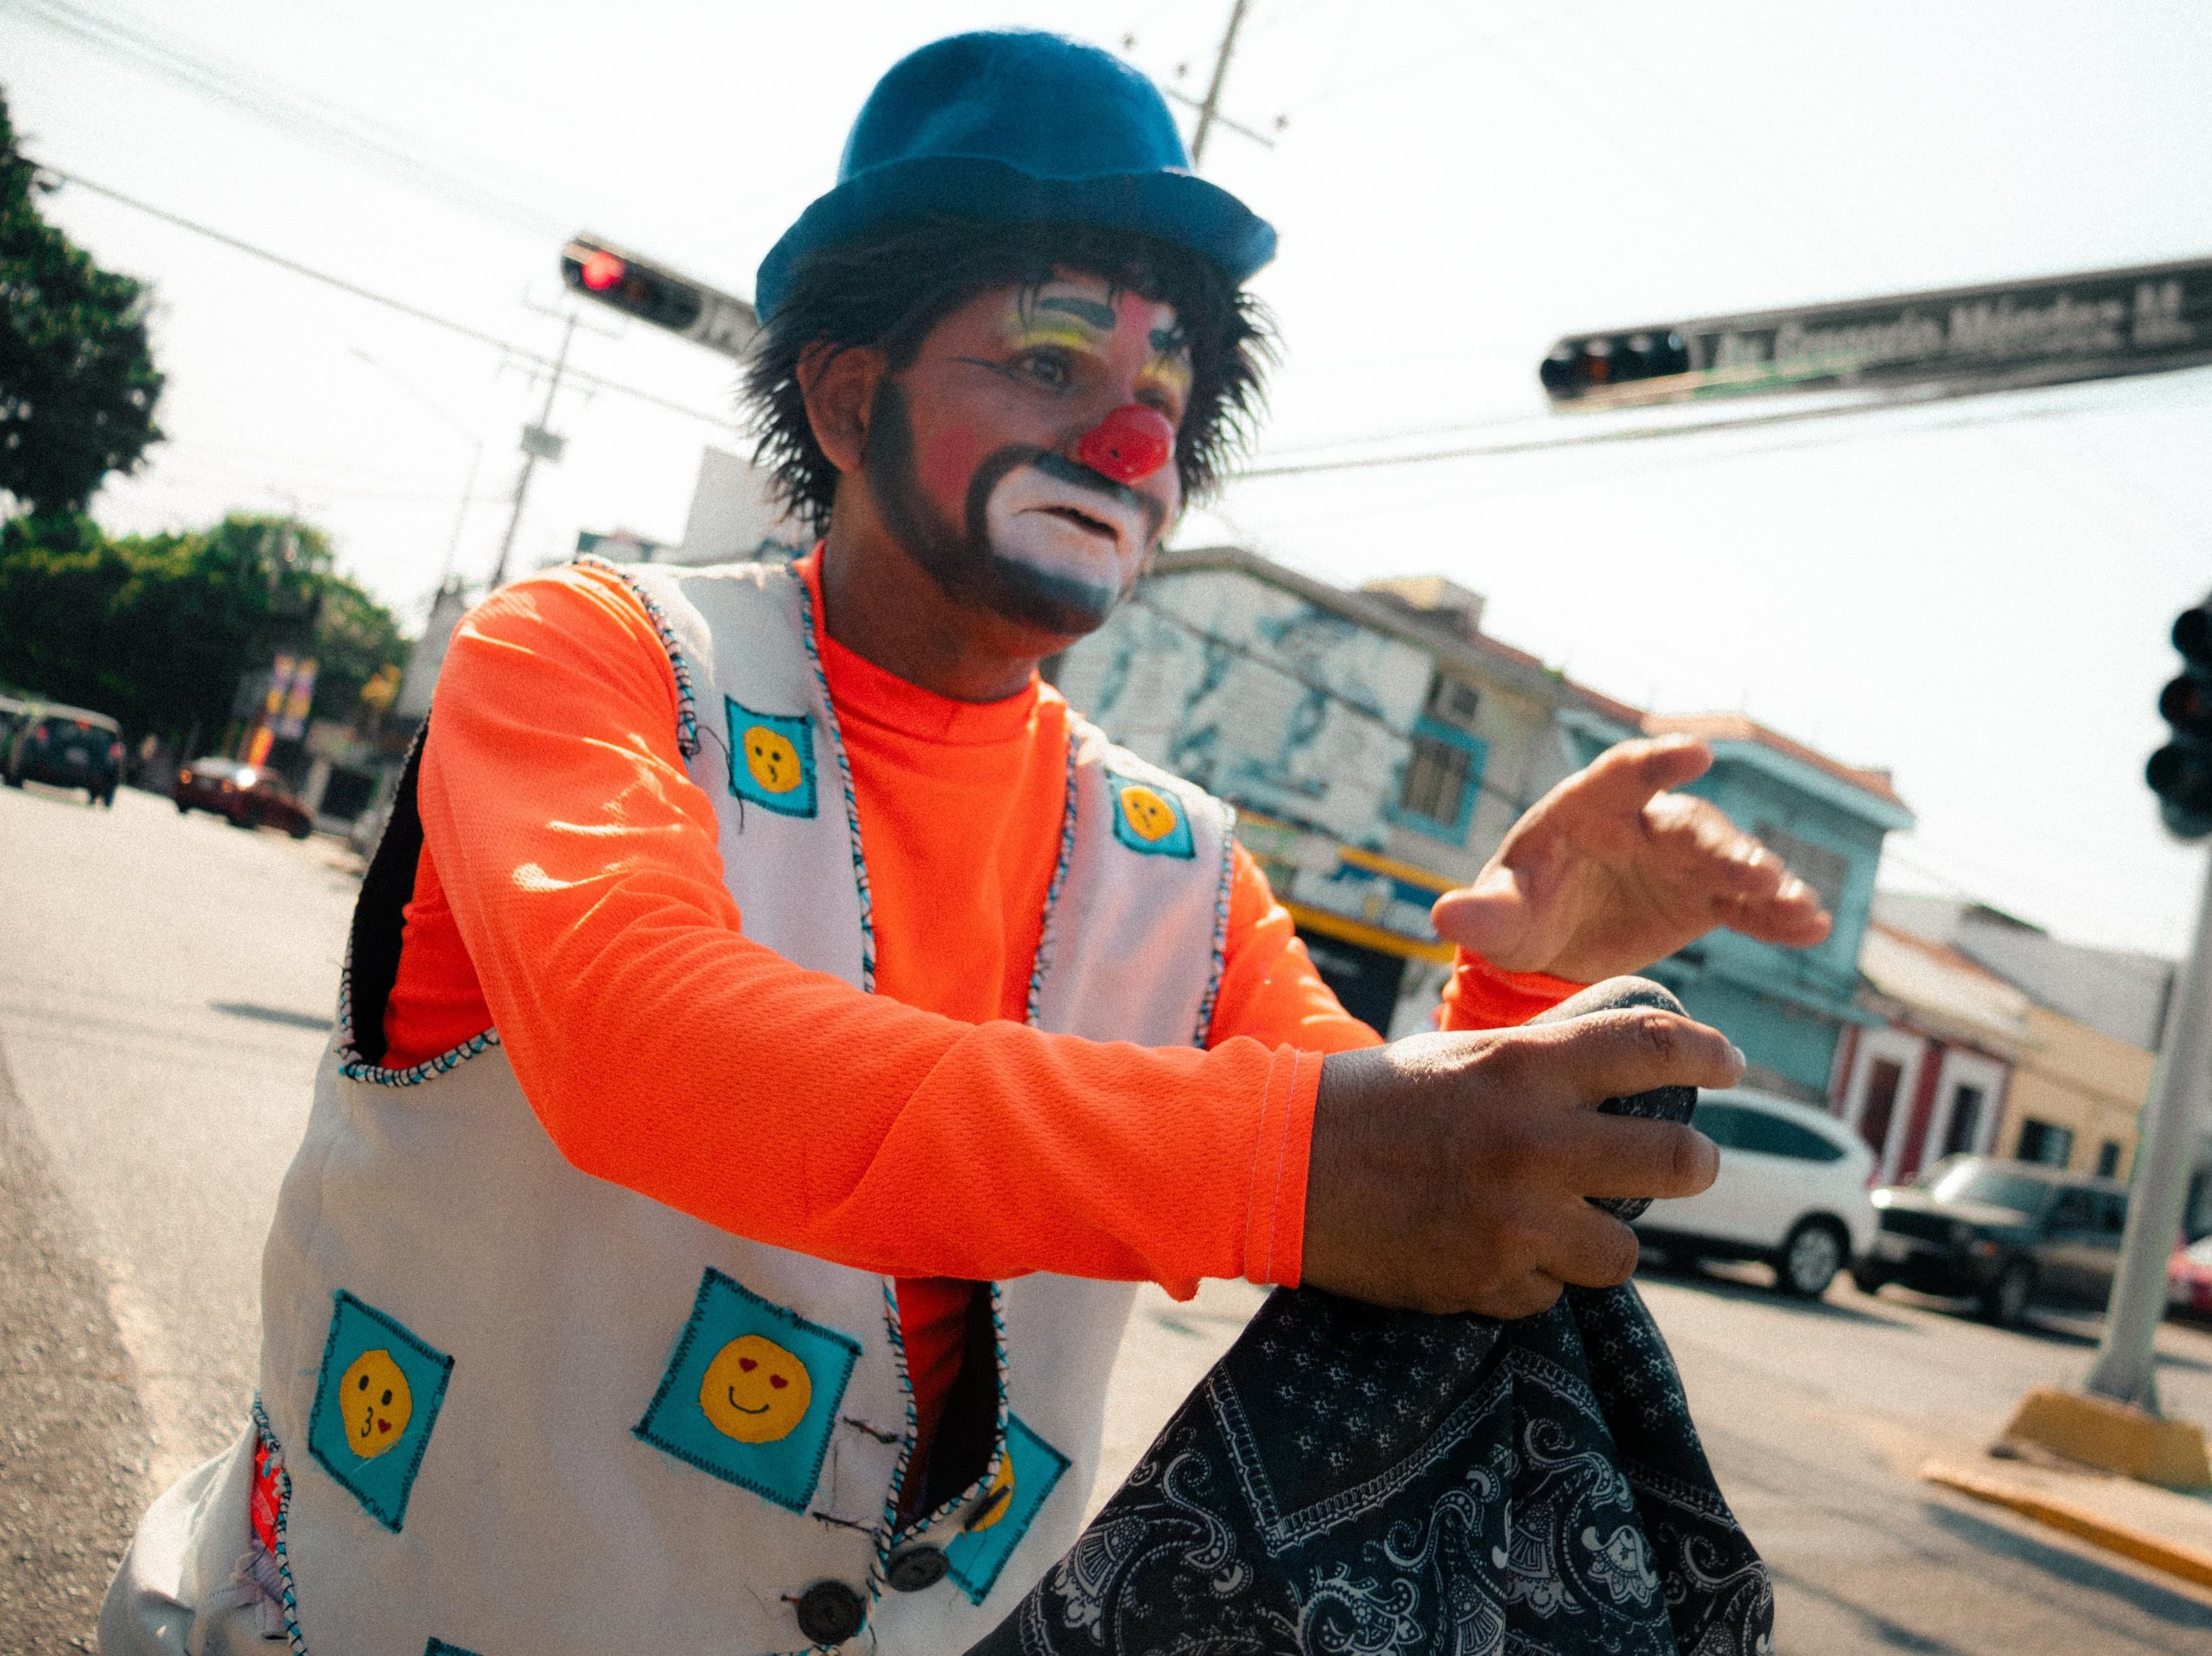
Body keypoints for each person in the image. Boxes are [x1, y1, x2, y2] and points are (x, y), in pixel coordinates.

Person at [100, 29, 1828, 1655]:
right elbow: (644, 1049)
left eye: (1170, 383)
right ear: (850, 403)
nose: (1132, 439)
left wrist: (1515, 993)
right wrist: (1307, 1160)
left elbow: (1415, 1197)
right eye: (1053, 361)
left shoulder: (1178, 864)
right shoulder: (591, 656)